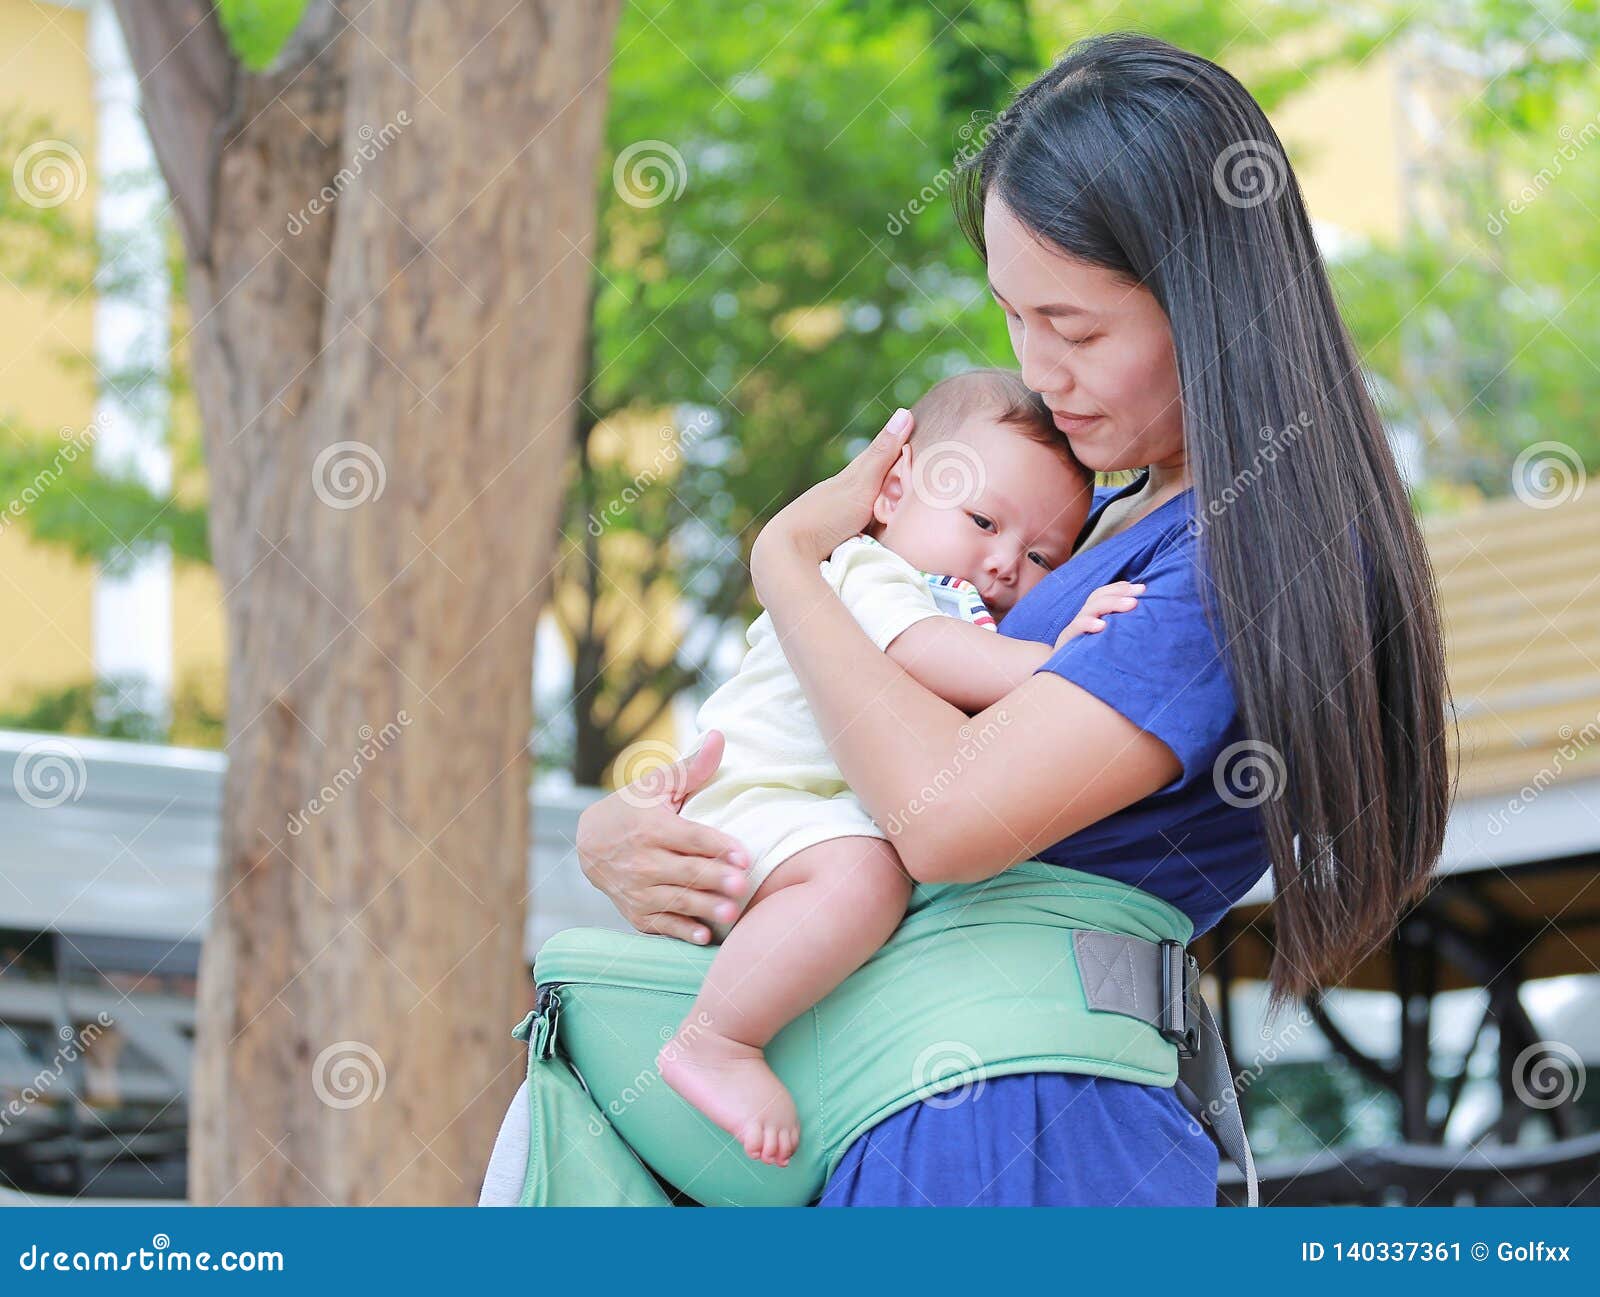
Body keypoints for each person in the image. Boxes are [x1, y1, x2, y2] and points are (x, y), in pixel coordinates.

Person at [481, 32, 1449, 1207]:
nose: (1040, 372)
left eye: (1079, 329)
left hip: (1023, 1119)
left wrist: (789, 558)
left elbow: (943, 819)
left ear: (1211, 302)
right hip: (912, 1102)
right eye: (1013, 317)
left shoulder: (1235, 555)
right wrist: (640, 842)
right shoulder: (1078, 516)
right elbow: (846, 756)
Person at [658, 368, 1144, 1167]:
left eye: (1043, 557)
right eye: (983, 519)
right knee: (865, 880)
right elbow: (926, 651)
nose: (1002, 562)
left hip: (804, 812)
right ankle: (716, 1040)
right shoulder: (864, 572)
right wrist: (1054, 659)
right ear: (890, 494)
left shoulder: (964, 606)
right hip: (762, 796)